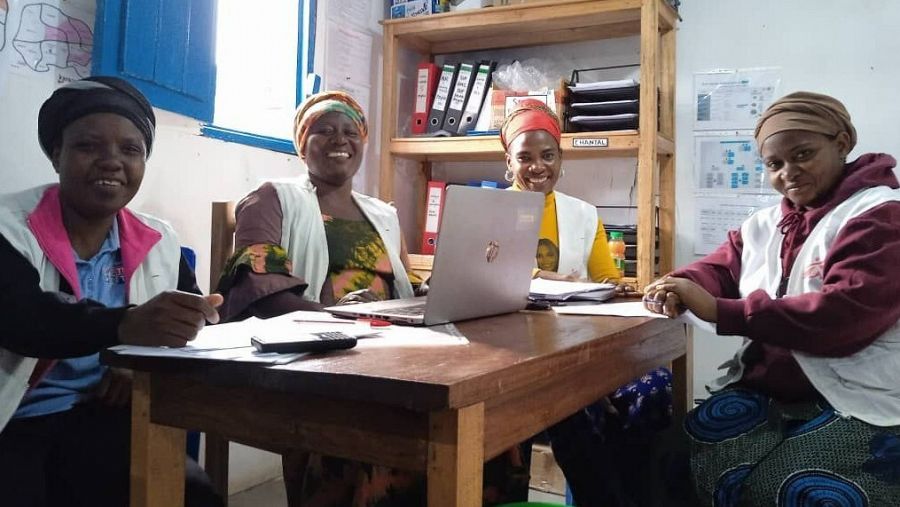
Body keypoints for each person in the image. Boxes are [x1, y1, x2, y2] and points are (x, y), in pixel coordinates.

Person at [217, 90, 529, 506]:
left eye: (350, 131)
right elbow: (262, 290)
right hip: (320, 360)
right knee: (378, 434)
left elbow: (404, 286)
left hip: (396, 349)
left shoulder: (382, 213)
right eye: (323, 130)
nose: (339, 140)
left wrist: (444, 291)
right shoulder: (272, 198)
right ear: (301, 142)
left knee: (489, 414)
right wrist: (341, 321)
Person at [644, 91, 900, 505]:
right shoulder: (766, 223)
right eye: (774, 164)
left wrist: (723, 311)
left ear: (841, 143)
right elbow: (720, 269)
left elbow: (843, 317)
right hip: (776, 391)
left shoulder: (879, 215)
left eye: (803, 154)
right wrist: (679, 284)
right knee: (677, 455)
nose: (788, 172)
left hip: (859, 396)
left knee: (787, 489)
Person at [0, 77, 223, 506]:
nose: (110, 162)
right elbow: (22, 319)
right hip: (16, 417)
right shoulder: (9, 227)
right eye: (87, 146)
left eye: (130, 150)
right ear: (55, 154)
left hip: (106, 413)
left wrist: (137, 365)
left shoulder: (159, 239)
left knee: (193, 495)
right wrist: (125, 327)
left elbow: (197, 327)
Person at [501, 99, 673, 506]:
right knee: (576, 410)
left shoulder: (582, 214)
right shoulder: (489, 210)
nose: (537, 167)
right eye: (524, 157)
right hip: (518, 353)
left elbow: (607, 281)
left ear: (561, 158)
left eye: (548, 155)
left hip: (578, 346)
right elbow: (481, 279)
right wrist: (546, 278)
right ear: (508, 160)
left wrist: (637, 290)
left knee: (656, 391)